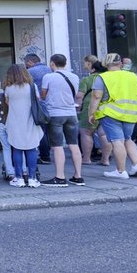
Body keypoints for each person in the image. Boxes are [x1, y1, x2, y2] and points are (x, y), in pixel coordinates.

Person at [87, 53, 137, 179]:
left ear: (105, 64)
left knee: (117, 141)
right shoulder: (134, 76)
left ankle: (120, 171)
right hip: (131, 112)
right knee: (128, 139)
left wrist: (91, 113)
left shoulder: (102, 77)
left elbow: (96, 97)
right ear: (120, 63)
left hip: (111, 113)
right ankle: (136, 165)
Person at [40, 54, 84, 186]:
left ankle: (60, 177)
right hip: (71, 113)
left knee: (57, 146)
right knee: (74, 144)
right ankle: (78, 176)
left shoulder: (48, 77)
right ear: (65, 63)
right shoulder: (74, 76)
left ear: (52, 63)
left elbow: (43, 95)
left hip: (55, 114)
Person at [1, 65, 43, 188]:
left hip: (14, 121)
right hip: (30, 120)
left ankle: (19, 178)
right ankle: (32, 178)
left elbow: (7, 103)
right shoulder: (32, 86)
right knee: (31, 148)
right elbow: (38, 100)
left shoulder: (8, 88)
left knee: (16, 149)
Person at [78, 55, 109, 167]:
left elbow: (79, 96)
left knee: (86, 133)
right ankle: (105, 159)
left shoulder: (87, 80)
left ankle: (86, 159)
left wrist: (78, 108)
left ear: (91, 65)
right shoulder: (108, 79)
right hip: (107, 108)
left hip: (89, 108)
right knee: (104, 134)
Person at [24, 54, 53, 164]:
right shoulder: (50, 70)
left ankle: (44, 156)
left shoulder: (30, 72)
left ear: (30, 62)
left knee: (40, 131)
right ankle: (48, 153)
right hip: (51, 104)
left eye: (26, 63)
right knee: (48, 131)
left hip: (38, 105)